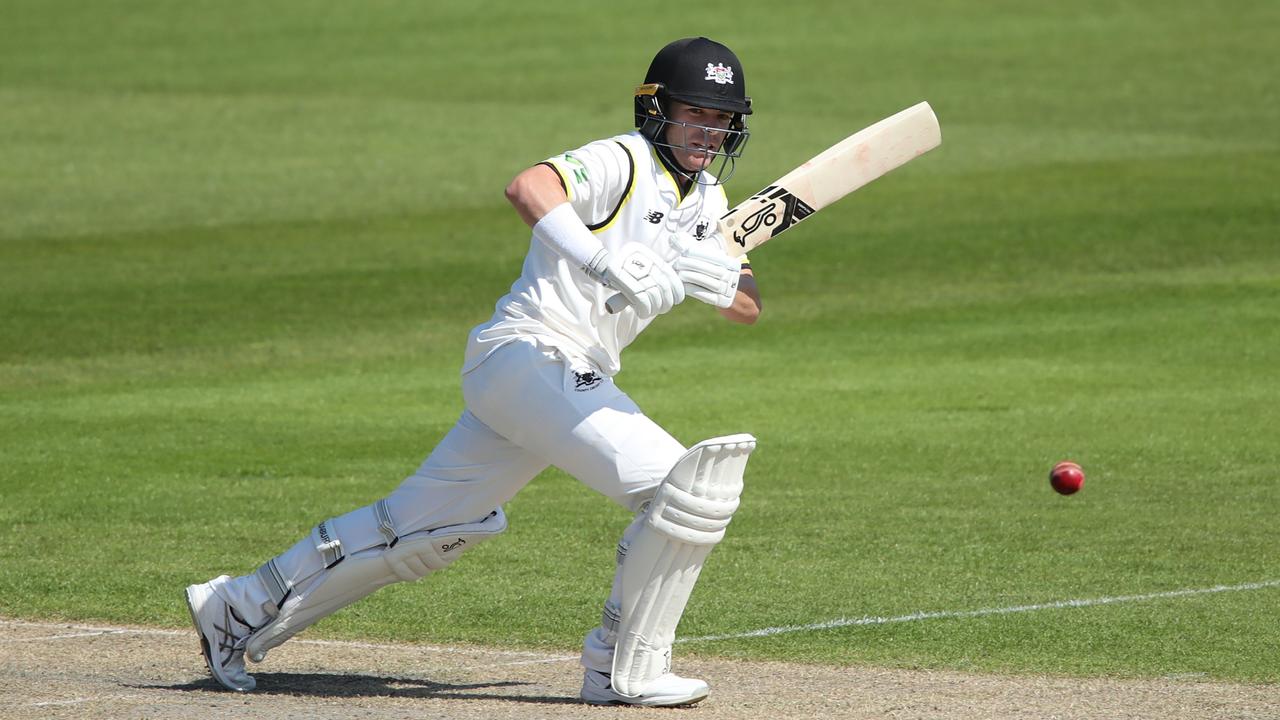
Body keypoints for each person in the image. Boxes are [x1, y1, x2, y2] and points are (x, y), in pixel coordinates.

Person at [185, 36, 762, 707]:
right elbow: (529, 187)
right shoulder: (622, 159)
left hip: (543, 382)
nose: (708, 130)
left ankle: (237, 606)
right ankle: (619, 666)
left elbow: (747, 305)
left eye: (721, 119)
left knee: (416, 528)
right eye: (695, 112)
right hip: (533, 352)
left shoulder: (710, 200)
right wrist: (606, 261)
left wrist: (712, 282)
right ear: (657, 110)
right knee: (684, 489)